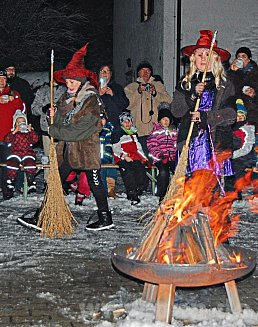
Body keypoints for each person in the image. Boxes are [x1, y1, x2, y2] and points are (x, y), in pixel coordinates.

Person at [48, 43, 114, 231]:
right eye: (67, 81)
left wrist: (54, 130)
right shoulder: (64, 99)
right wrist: (52, 116)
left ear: (81, 81)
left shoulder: (91, 100)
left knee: (95, 183)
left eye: (72, 82)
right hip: (68, 150)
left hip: (86, 149)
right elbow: (59, 122)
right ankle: (44, 213)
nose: (68, 85)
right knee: (55, 180)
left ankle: (105, 217)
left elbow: (78, 130)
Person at [170, 30, 236, 192]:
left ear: (215, 59)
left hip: (215, 140)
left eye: (208, 55)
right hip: (191, 141)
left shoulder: (224, 84)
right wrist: (191, 95)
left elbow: (232, 114)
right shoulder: (185, 83)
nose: (203, 59)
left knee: (211, 188)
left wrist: (206, 117)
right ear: (193, 58)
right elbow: (176, 111)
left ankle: (211, 216)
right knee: (191, 187)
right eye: (199, 55)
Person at [124, 61, 172, 156]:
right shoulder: (130, 87)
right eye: (143, 70)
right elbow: (127, 104)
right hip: (139, 129)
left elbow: (168, 100)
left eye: (148, 70)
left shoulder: (158, 85)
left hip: (156, 130)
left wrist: (155, 93)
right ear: (138, 73)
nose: (146, 73)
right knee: (143, 157)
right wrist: (138, 91)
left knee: (157, 157)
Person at [31, 78, 66, 183]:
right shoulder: (43, 90)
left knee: (60, 155)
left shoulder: (65, 90)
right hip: (46, 128)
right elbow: (33, 108)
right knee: (48, 155)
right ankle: (48, 180)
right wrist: (43, 109)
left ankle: (61, 180)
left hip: (62, 128)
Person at [112, 112, 150, 205]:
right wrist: (124, 156)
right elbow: (115, 148)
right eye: (125, 122)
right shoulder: (118, 133)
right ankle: (132, 193)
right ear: (121, 123)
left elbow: (138, 147)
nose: (127, 124)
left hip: (134, 157)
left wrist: (144, 158)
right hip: (122, 158)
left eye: (129, 122)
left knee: (140, 170)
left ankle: (138, 189)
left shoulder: (133, 133)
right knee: (127, 172)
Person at [147, 102, 178, 202]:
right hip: (160, 158)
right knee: (164, 172)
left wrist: (175, 154)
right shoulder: (155, 132)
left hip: (172, 157)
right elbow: (152, 146)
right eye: (163, 119)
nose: (165, 121)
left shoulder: (173, 131)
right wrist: (160, 155)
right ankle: (162, 194)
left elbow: (176, 144)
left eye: (167, 119)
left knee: (178, 170)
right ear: (159, 120)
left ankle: (177, 193)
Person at [0, 69, 24, 200]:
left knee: (7, 164)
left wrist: (12, 99)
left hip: (8, 135)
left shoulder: (13, 93)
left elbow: (21, 107)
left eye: (3, 78)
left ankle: (7, 189)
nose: (1, 81)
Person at [4, 110, 39, 197]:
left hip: (27, 153)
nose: (21, 124)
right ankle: (11, 180)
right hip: (15, 153)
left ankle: (31, 181)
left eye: (23, 122)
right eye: (18, 122)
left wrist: (31, 131)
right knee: (12, 162)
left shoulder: (28, 133)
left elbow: (35, 140)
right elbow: (6, 140)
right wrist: (14, 132)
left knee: (30, 163)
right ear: (15, 124)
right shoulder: (13, 133)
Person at [230, 100, 256, 197]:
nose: (240, 118)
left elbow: (247, 146)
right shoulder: (231, 128)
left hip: (243, 157)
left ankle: (238, 194)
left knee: (238, 173)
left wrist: (233, 155)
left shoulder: (247, 128)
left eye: (242, 116)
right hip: (233, 156)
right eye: (238, 115)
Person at [98, 63, 129, 130]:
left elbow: (125, 104)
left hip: (115, 125)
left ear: (111, 74)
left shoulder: (117, 87)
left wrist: (112, 94)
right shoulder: (94, 88)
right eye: (102, 71)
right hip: (98, 125)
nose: (104, 73)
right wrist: (99, 95)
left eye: (107, 71)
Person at [99, 112, 117, 198]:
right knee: (101, 171)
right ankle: (104, 191)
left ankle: (111, 189)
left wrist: (107, 156)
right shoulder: (93, 130)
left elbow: (108, 145)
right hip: (97, 156)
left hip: (107, 155)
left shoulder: (108, 130)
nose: (101, 121)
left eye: (103, 119)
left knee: (110, 168)